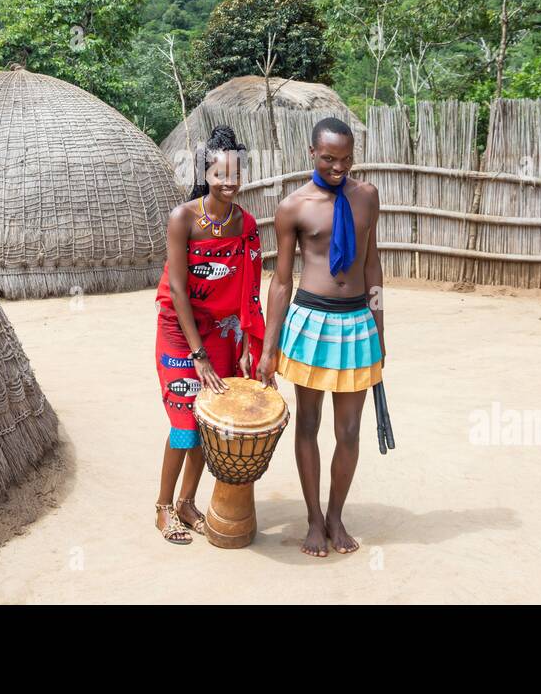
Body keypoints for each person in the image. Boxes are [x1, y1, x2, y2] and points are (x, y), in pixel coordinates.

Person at [257, 117, 385, 557]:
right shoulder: (294, 206)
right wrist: (269, 348)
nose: (338, 167)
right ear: (312, 152)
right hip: (311, 322)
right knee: (308, 424)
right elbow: (281, 280)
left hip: (356, 324)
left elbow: (372, 266)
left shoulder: (367, 197)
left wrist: (379, 329)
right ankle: (313, 518)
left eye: (346, 159)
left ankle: (336, 515)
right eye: (329, 158)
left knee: (349, 432)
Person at [152, 125, 266, 545]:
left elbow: (248, 288)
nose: (229, 182)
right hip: (180, 334)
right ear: (206, 173)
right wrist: (198, 355)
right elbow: (179, 289)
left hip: (221, 333)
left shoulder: (244, 223)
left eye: (236, 173)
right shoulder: (183, 219)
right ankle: (163, 508)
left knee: (206, 424)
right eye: (220, 174)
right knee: (183, 425)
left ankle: (186, 502)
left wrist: (244, 345)